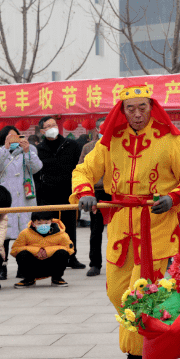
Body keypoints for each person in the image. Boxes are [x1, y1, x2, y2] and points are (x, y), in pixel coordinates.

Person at [72, 84, 180, 359]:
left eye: (142, 107)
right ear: (122, 110)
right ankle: (156, 327)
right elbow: (83, 171)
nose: (137, 114)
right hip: (120, 226)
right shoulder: (109, 141)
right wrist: (84, 192)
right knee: (116, 291)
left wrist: (174, 198)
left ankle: (136, 355)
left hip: (155, 225)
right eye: (130, 108)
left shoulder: (170, 139)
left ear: (152, 107)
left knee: (137, 291)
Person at [0, 126, 43, 281]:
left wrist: (27, 152)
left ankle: (23, 266)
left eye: (16, 136)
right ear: (4, 138)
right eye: (9, 137)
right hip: (5, 197)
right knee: (3, 232)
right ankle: (2, 266)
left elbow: (37, 168)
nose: (13, 140)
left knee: (24, 234)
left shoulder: (29, 150)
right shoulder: (0, 152)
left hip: (25, 196)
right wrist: (4, 148)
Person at [36, 116, 84, 270]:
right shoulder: (38, 149)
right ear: (42, 131)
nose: (52, 127)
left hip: (68, 192)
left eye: (54, 124)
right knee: (49, 226)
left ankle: (72, 256)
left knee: (70, 225)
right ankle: (52, 256)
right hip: (48, 192)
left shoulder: (71, 145)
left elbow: (80, 167)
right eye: (48, 126)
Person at [78, 118, 110, 277]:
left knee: (120, 229)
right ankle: (95, 264)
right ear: (97, 130)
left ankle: (119, 262)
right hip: (97, 191)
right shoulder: (89, 147)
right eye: (102, 128)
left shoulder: (118, 145)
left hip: (116, 191)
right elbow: (81, 170)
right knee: (95, 229)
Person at [10, 211, 74, 288]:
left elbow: (70, 249)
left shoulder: (60, 234)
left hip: (51, 264)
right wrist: (37, 251)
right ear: (33, 223)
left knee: (63, 253)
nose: (43, 226)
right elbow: (14, 250)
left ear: (51, 222)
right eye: (39, 223)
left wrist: (48, 251)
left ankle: (57, 278)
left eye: (47, 223)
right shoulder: (25, 233)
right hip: (33, 264)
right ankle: (29, 279)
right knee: (22, 254)